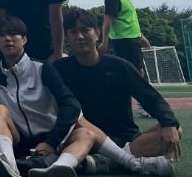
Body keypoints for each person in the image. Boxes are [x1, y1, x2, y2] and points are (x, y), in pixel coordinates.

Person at [0, 17, 174, 177]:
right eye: (2, 35)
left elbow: (71, 105)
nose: (8, 39)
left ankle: (65, 168)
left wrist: (52, 142)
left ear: (24, 39)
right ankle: (10, 166)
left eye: (13, 34)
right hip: (23, 140)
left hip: (65, 138)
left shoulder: (44, 69)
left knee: (86, 131)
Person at [56, 8, 182, 164]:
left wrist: (169, 123)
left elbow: (152, 99)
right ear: (67, 37)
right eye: (73, 32)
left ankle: (106, 162)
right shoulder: (60, 70)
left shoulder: (120, 67)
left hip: (126, 140)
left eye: (85, 30)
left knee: (175, 130)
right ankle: (120, 161)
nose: (80, 36)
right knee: (78, 135)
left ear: (97, 33)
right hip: (87, 139)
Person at [100, 0, 151, 77]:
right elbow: (107, 22)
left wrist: (141, 37)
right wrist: (104, 42)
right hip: (124, 41)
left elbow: (130, 21)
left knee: (136, 71)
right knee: (136, 72)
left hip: (132, 39)